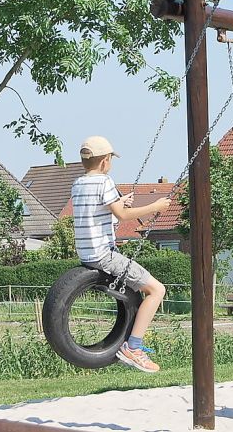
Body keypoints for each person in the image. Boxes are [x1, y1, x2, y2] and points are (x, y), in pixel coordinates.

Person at [72, 136, 171, 372]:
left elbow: (100, 208)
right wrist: (154, 207)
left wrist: (120, 200)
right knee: (157, 290)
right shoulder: (105, 182)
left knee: (146, 288)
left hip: (86, 253)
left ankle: (133, 346)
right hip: (104, 254)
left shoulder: (77, 184)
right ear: (105, 161)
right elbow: (122, 216)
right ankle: (133, 348)